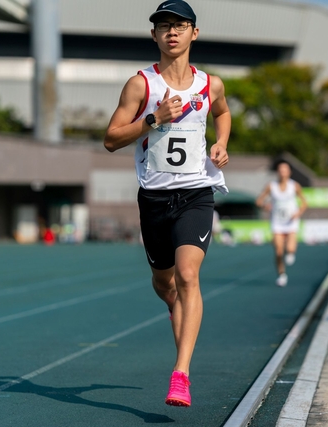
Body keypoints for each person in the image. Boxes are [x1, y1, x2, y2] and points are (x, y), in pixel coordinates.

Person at [103, 0, 231, 408]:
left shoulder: (211, 84)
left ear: (195, 32)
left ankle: (181, 375)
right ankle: (174, 308)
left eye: (180, 25)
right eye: (163, 26)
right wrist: (154, 118)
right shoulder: (141, 84)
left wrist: (221, 142)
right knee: (166, 284)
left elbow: (223, 114)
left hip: (196, 193)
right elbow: (110, 139)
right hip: (154, 199)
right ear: (154, 36)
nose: (171, 32)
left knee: (189, 275)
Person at [256, 161, 308, 287]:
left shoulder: (294, 186)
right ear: (277, 172)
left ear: (289, 172)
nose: (283, 172)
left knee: (290, 249)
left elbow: (304, 203)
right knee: (279, 251)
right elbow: (259, 201)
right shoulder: (271, 186)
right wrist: (265, 206)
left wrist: (298, 213)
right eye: (280, 170)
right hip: (277, 223)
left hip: (291, 222)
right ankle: (282, 274)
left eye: (285, 170)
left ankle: (291, 253)